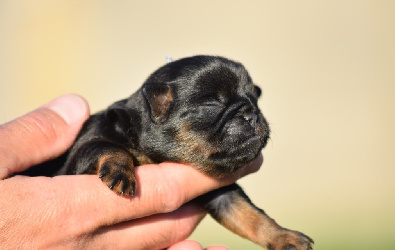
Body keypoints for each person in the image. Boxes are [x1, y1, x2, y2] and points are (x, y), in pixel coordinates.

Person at [0, 94, 263, 249]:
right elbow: (90, 153)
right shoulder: (108, 130)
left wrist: (274, 235)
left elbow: (226, 199)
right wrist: (113, 160)